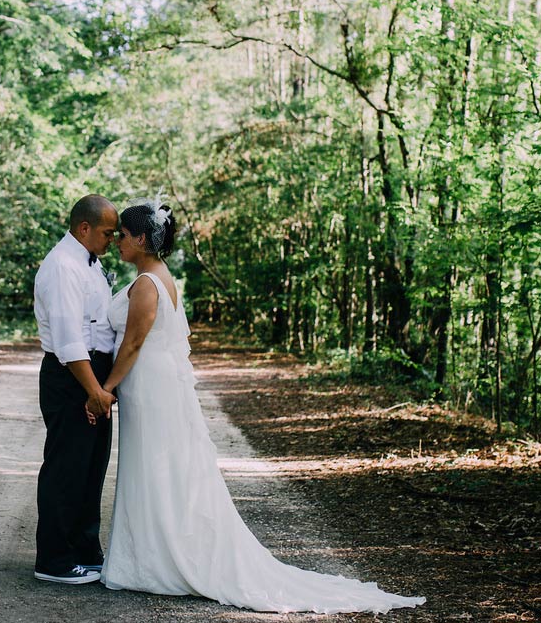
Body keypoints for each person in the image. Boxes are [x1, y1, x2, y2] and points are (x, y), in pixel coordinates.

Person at [99, 198, 426, 614]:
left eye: (123, 236)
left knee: (155, 467)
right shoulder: (159, 276)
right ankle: (150, 555)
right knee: (155, 469)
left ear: (141, 238)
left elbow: (132, 343)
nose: (119, 243)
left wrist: (107, 388)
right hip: (155, 383)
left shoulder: (147, 284)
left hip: (150, 386)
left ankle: (159, 561)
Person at [33, 194, 118, 585]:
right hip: (72, 375)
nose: (112, 240)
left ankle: (85, 550)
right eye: (106, 232)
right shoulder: (62, 266)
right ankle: (54, 560)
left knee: (91, 467)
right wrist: (93, 390)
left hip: (92, 372)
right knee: (66, 467)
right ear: (84, 228)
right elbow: (69, 341)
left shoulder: (91, 264)